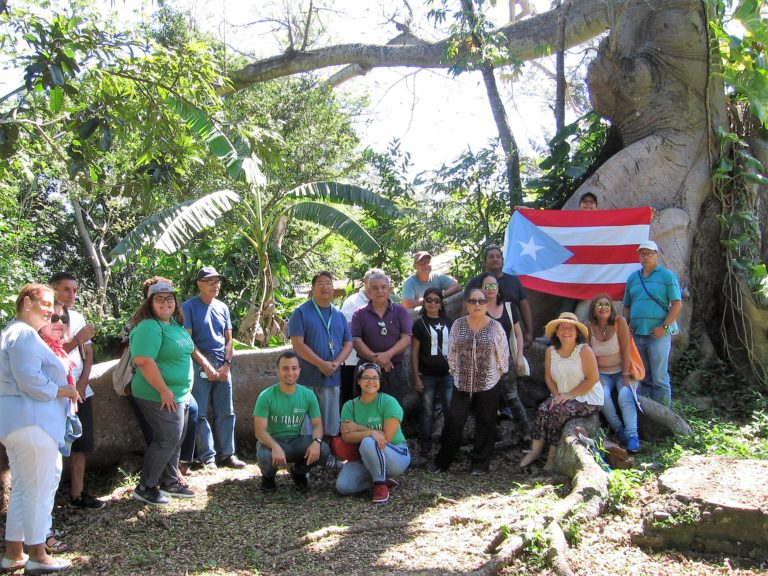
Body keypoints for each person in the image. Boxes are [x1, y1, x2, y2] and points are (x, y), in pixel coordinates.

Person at [1, 284, 80, 574]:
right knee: (38, 489)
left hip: (21, 423)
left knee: (24, 488)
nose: (50, 310)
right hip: (33, 422)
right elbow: (28, 378)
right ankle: (38, 554)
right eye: (45, 303)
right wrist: (62, 390)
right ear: (26, 302)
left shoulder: (15, 332)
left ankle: (13, 553)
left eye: (52, 305)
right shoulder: (23, 333)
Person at [129, 280, 196, 505]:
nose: (165, 302)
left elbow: (185, 354)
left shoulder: (174, 324)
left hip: (180, 394)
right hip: (156, 394)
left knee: (176, 439)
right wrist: (164, 390)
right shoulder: (148, 327)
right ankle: (145, 487)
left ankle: (170, 481)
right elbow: (143, 361)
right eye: (159, 299)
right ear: (150, 303)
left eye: (170, 298)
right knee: (167, 438)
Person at [429, 288, 509, 474]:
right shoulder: (458, 325)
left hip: (489, 380)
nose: (477, 305)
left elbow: (503, 354)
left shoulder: (495, 327)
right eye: (473, 301)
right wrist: (455, 371)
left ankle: (479, 464)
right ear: (466, 304)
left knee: (486, 421)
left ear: (486, 304)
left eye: (481, 301)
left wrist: (498, 373)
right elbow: (451, 351)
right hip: (462, 380)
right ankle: (443, 462)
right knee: (455, 420)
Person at [49, 272, 104, 510]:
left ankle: (77, 493)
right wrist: (78, 338)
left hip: (80, 389)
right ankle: (48, 500)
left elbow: (88, 354)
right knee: (52, 443)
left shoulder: (78, 317)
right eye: (66, 289)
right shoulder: (45, 317)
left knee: (81, 443)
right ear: (53, 289)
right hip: (55, 390)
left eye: (74, 290)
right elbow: (52, 354)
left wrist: (82, 383)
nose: (71, 295)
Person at [519, 312, 603, 469]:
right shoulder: (550, 351)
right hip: (561, 395)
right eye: (563, 328)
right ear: (557, 332)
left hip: (586, 397)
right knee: (543, 409)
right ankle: (535, 451)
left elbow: (592, 379)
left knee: (559, 412)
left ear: (577, 332)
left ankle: (552, 457)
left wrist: (569, 395)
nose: (566, 331)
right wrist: (557, 396)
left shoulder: (584, 350)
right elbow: (548, 377)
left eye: (571, 328)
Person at [182, 266, 245, 469]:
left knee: (226, 410)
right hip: (199, 363)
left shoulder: (222, 307)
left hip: (222, 364)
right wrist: (205, 364)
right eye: (209, 282)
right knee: (199, 412)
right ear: (199, 284)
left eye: (217, 281)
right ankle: (207, 456)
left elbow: (229, 339)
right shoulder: (188, 307)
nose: (215, 285)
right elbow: (188, 341)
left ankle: (227, 454)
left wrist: (227, 365)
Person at [253, 351, 330, 493]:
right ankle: (268, 477)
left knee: (323, 449)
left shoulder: (308, 395)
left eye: (294, 368)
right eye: (285, 368)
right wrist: (275, 446)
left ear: (299, 371)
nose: (290, 373)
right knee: (265, 456)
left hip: (296, 441)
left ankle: (299, 472)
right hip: (273, 441)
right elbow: (260, 432)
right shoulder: (265, 396)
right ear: (277, 371)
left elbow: (317, 424)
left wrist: (316, 442)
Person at [288, 271, 353, 438]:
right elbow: (297, 344)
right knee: (306, 426)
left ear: (333, 289)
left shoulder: (339, 315)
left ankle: (328, 452)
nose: (325, 287)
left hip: (331, 376)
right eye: (320, 283)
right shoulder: (300, 312)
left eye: (328, 283)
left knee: (331, 425)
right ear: (313, 288)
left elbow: (348, 343)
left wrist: (336, 363)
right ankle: (306, 453)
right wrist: (320, 364)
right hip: (306, 378)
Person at [336, 363, 411, 503]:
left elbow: (385, 437)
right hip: (365, 456)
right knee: (343, 487)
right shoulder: (350, 406)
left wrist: (358, 428)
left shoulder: (389, 402)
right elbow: (346, 435)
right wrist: (371, 432)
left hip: (396, 454)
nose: (371, 381)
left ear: (380, 381)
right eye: (366, 378)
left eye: (375, 378)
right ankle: (381, 479)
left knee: (368, 441)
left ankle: (380, 485)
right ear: (358, 381)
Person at [623, 240, 682, 407]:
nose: (646, 257)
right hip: (637, 333)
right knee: (642, 376)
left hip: (658, 335)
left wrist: (664, 327)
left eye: (649, 254)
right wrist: (626, 326)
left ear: (657, 255)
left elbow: (677, 304)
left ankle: (664, 414)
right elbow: (627, 305)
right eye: (642, 254)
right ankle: (647, 413)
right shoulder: (633, 278)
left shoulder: (666, 276)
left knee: (659, 378)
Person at [587, 294, 640, 453]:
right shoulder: (588, 326)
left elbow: (626, 350)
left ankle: (633, 435)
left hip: (622, 370)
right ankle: (619, 430)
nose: (603, 307)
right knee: (602, 395)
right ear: (593, 310)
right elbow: (587, 355)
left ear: (611, 308)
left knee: (625, 395)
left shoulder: (619, 322)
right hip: (602, 373)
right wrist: (595, 375)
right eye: (599, 305)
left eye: (606, 304)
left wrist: (625, 374)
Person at [481, 274, 530, 447]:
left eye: (493, 285)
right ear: (482, 289)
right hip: (486, 363)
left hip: (506, 360)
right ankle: (489, 439)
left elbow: (518, 334)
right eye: (487, 286)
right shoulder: (479, 309)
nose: (490, 289)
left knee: (513, 398)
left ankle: (527, 435)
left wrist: (519, 357)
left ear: (498, 288)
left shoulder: (509, 308)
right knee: (488, 401)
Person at [350, 271, 412, 405]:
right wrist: (376, 359)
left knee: (393, 409)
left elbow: (406, 337)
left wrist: (388, 355)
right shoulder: (359, 313)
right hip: (367, 369)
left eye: (383, 287)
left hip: (393, 368)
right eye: (375, 288)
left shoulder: (400, 311)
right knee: (366, 409)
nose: (380, 291)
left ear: (389, 289)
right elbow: (356, 340)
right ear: (368, 291)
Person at [411, 287, 453, 464]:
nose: (433, 303)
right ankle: (425, 448)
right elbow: (414, 353)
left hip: (448, 375)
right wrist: (416, 377)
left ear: (441, 302)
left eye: (436, 300)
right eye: (429, 300)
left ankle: (449, 447)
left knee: (450, 410)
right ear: (424, 302)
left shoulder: (449, 322)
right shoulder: (419, 324)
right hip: (427, 376)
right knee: (427, 412)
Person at [464, 245, 534, 346]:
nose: (495, 259)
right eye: (491, 257)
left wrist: (529, 332)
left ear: (502, 260)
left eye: (498, 256)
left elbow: (524, 306)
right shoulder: (474, 283)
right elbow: (465, 308)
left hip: (511, 336)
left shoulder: (514, 281)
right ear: (485, 261)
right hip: (482, 340)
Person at [340, 268, 382, 406]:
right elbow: (347, 332)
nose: (377, 287)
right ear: (365, 282)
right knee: (351, 402)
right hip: (353, 361)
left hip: (377, 361)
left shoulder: (383, 302)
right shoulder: (352, 303)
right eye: (373, 282)